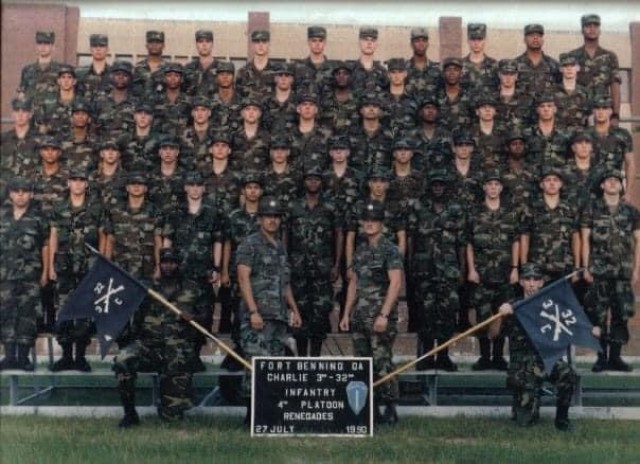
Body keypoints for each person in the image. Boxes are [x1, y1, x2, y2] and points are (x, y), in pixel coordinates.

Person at [113, 248, 209, 428]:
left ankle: (169, 409)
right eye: (165, 262)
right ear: (160, 264)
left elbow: (206, 320)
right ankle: (130, 413)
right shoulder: (148, 288)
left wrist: (193, 318)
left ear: (179, 264)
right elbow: (136, 318)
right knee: (122, 361)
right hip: (149, 346)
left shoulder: (193, 288)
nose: (168, 266)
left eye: (172, 262)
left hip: (177, 351)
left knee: (171, 418)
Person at [488, 263, 582, 431]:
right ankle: (523, 405)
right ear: (521, 282)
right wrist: (499, 316)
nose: (531, 283)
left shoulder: (550, 306)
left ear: (541, 283)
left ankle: (562, 420)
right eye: (527, 279)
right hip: (523, 367)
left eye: (536, 279)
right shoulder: (512, 306)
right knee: (526, 421)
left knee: (569, 373)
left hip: (545, 360)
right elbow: (492, 335)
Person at [236, 196, 302, 419]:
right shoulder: (250, 244)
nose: (272, 221)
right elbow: (243, 279)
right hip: (257, 316)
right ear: (260, 219)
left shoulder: (280, 247)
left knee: (274, 366)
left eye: (275, 217)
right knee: (255, 363)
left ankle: (269, 413)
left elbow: (285, 282)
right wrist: (253, 311)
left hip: (278, 316)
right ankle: (251, 415)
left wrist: (294, 308)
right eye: (268, 217)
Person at [339, 200, 403, 425]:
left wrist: (384, 315)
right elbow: (354, 284)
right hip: (360, 317)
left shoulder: (390, 249)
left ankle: (390, 407)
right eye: (366, 220)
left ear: (382, 224)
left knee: (382, 362)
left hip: (380, 317)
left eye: (374, 220)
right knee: (362, 363)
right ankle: (370, 407)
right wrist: (346, 313)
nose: (369, 224)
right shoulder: (360, 251)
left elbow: (395, 283)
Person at [581, 169, 640, 372]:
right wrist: (585, 267)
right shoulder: (592, 209)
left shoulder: (631, 211)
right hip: (598, 272)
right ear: (602, 185)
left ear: (621, 185)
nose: (613, 183)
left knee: (621, 315)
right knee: (597, 315)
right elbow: (585, 240)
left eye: (616, 180)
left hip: (623, 272)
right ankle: (600, 357)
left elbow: (638, 241)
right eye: (609, 181)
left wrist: (636, 270)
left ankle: (615, 357)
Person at [48, 168, 105, 372]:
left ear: (87, 184)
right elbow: (53, 236)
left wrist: (102, 264)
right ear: (68, 183)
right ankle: (65, 356)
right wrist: (50, 267)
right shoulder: (59, 206)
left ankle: (80, 357)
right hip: (64, 267)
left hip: (87, 268)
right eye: (74, 180)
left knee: (84, 312)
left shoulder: (96, 207)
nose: (78, 184)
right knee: (63, 311)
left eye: (82, 180)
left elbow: (103, 235)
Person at [467, 170, 520, 370]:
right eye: (489, 184)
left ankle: (498, 356)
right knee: (482, 315)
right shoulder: (475, 213)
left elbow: (515, 242)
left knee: (504, 315)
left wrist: (515, 268)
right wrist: (471, 269)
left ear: (501, 188)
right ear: (484, 188)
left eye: (496, 185)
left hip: (505, 273)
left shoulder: (510, 214)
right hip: (482, 274)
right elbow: (469, 244)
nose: (493, 188)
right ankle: (484, 357)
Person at [288, 168, 342, 356]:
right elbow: (286, 235)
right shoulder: (293, 206)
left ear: (321, 182)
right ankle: (302, 358)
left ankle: (316, 358)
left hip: (322, 269)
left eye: (316, 180)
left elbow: (338, 235)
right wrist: (286, 263)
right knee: (300, 312)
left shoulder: (330, 207)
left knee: (320, 314)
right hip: (298, 269)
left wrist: (336, 265)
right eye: (309, 179)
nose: (312, 183)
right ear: (304, 182)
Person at [0, 177, 49, 371]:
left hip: (30, 277)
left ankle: (24, 357)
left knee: (28, 316)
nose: (20, 194)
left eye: (25, 190)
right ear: (11, 194)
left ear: (30, 194)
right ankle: (9, 356)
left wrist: (46, 271)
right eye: (16, 190)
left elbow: (45, 246)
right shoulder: (2, 218)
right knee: (6, 315)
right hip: (4, 277)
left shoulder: (38, 218)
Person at [569, 14, 621, 119]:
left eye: (595, 26)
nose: (592, 29)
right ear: (582, 30)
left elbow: (615, 86)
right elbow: (568, 86)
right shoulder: (572, 56)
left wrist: (615, 114)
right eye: (588, 26)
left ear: (600, 30)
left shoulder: (610, 57)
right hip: (579, 113)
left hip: (603, 112)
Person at [514, 24, 561, 97]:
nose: (535, 38)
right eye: (531, 35)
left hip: (545, 107)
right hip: (523, 107)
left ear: (542, 40)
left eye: (539, 35)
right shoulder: (515, 64)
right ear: (524, 39)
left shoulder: (553, 65)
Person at [17, 31, 64, 102]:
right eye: (40, 44)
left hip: (53, 112)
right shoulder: (27, 70)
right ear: (36, 47)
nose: (43, 47)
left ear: (53, 47)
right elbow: (21, 95)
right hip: (32, 111)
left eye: (47, 44)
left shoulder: (61, 70)